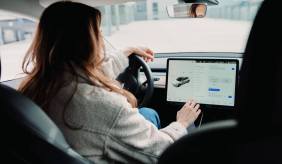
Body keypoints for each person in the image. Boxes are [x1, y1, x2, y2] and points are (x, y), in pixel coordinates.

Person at [18, 1, 201, 163]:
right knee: (152, 116)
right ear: (86, 43)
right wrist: (181, 123)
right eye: (99, 34)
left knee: (147, 112)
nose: (102, 41)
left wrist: (125, 52)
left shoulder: (38, 85)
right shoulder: (103, 105)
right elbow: (160, 151)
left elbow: (87, 75)